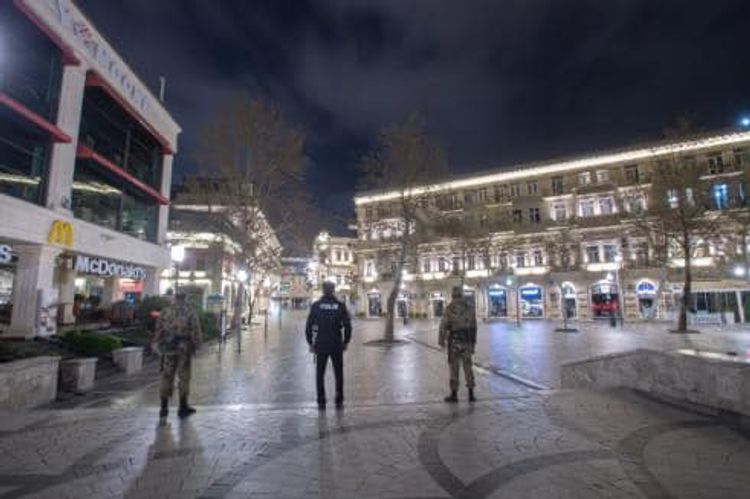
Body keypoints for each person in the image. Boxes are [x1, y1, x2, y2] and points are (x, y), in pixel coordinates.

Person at [153, 293, 203, 419]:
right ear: (185, 299)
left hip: (168, 349)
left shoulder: (165, 311)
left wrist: (157, 344)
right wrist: (197, 346)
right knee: (184, 377)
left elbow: (158, 329)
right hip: (184, 349)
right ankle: (182, 406)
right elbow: (195, 330)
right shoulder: (189, 312)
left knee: (166, 376)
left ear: (174, 299)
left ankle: (163, 408)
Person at [305, 281, 352, 410]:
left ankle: (321, 399)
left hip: (321, 343)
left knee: (320, 373)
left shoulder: (316, 306)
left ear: (323, 290)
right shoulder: (340, 306)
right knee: (339, 373)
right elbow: (348, 326)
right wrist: (346, 341)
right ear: (333, 290)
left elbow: (309, 326)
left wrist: (310, 343)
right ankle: (339, 398)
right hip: (336, 343)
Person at [438, 286, 477, 403]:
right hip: (467, 341)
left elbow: (443, 326)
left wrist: (441, 341)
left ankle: (454, 395)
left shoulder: (450, 308)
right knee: (468, 367)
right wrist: (473, 343)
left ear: (452, 295)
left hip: (454, 342)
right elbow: (474, 327)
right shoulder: (469, 308)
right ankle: (471, 394)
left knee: (454, 368)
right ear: (462, 294)